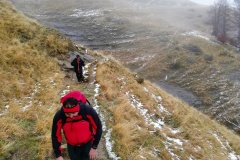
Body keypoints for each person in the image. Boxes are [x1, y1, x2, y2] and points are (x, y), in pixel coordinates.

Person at [51, 91, 102, 160]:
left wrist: (94, 147)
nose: (71, 116)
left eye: (73, 113)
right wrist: (58, 155)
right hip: (71, 146)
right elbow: (55, 135)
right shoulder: (60, 116)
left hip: (87, 144)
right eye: (68, 114)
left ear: (78, 109)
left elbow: (98, 128)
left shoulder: (88, 111)